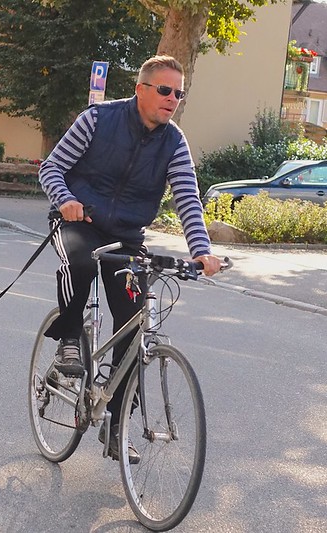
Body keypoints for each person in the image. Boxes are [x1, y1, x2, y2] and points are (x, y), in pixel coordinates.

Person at [38, 55, 222, 464]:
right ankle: (69, 340)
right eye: (165, 90)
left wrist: (201, 249)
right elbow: (51, 168)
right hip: (78, 221)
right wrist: (66, 200)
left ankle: (117, 427)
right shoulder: (97, 120)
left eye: (179, 93)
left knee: (133, 325)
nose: (173, 99)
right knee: (81, 262)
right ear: (141, 89)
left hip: (126, 236)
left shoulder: (174, 141)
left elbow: (187, 196)